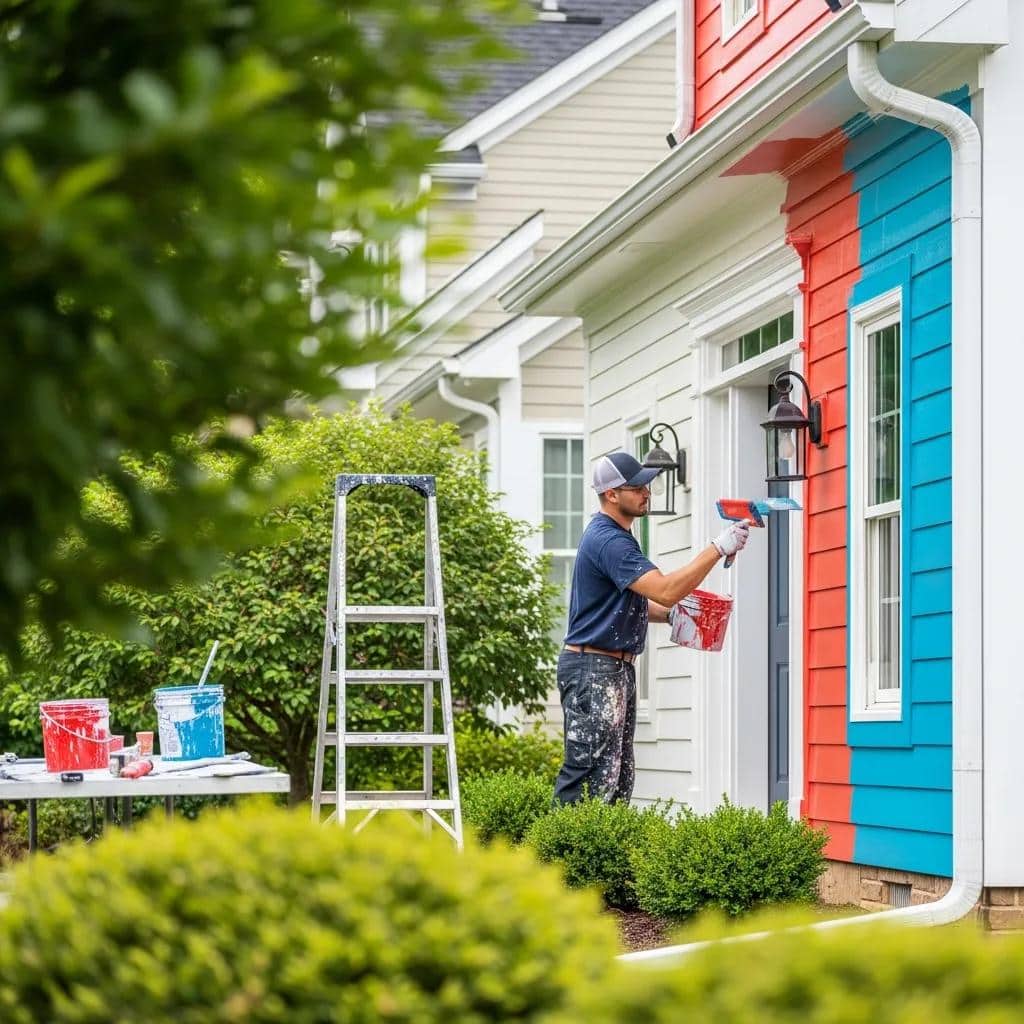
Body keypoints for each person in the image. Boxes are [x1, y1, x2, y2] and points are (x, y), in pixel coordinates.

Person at [553, 451, 750, 806]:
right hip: (592, 670)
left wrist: (676, 616)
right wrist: (717, 548)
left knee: (616, 776)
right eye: (638, 486)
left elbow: (634, 602)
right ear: (611, 494)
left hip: (611, 668)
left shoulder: (619, 538)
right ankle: (554, 860)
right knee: (587, 777)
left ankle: (601, 858)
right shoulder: (609, 540)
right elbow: (665, 588)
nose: (647, 492)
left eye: (648, 485)